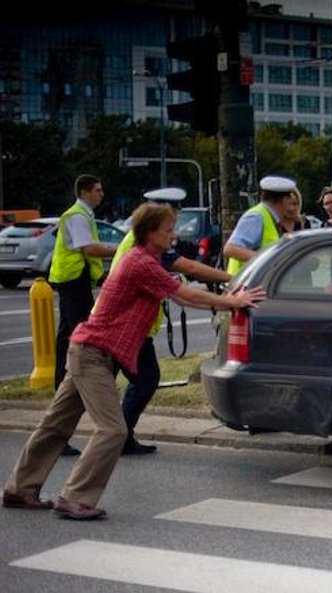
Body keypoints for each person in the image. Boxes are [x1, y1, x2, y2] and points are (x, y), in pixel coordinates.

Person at [2, 202, 265, 519]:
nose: (173, 235)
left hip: (90, 350)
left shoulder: (146, 260)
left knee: (56, 425)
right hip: (93, 354)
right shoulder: (140, 263)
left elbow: (181, 291)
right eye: (168, 230)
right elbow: (185, 294)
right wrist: (232, 302)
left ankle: (20, 489)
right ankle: (74, 497)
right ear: (150, 232)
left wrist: (227, 294)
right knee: (113, 430)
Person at [112, 187, 233, 455]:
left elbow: (181, 291)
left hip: (127, 327)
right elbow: (187, 270)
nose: (174, 232)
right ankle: (117, 437)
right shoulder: (146, 245)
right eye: (170, 224)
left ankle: (117, 435)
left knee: (132, 380)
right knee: (144, 378)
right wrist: (228, 280)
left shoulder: (140, 242)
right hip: (121, 328)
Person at [49, 174, 118, 457]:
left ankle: (66, 385)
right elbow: (88, 248)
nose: (102, 194)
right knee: (76, 340)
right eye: (98, 190)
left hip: (76, 281)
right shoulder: (77, 215)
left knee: (69, 339)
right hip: (73, 281)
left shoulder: (82, 214)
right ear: (86, 191)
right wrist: (120, 250)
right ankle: (70, 387)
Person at [223, 175, 297, 275]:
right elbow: (230, 249)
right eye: (290, 200)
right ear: (284, 200)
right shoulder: (257, 217)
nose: (291, 207)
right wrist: (268, 259)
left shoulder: (268, 217)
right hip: (244, 286)